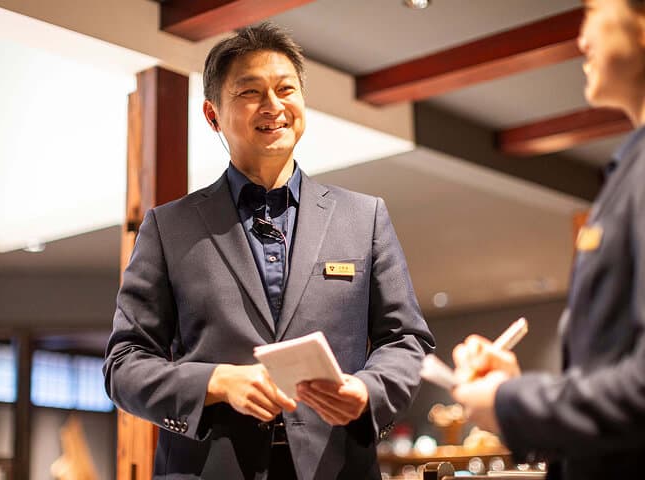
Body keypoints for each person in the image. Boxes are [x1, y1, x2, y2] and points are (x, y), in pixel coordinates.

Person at [103, 22, 434, 480]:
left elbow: (406, 340)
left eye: (285, 89)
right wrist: (215, 381)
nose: (273, 106)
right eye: (250, 92)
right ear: (212, 115)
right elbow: (124, 365)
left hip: (337, 466)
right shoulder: (169, 227)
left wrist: (368, 390)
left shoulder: (364, 217)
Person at [450, 1, 645, 479]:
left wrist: (514, 403)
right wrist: (517, 390)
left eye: (592, 11)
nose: (581, 38)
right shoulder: (631, 165)